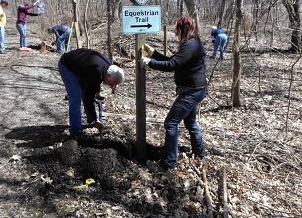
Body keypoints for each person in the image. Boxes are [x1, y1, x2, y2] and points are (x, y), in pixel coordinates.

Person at [140, 15, 207, 170]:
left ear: (183, 30)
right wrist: (153, 53)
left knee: (170, 123)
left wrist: (150, 63)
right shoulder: (192, 44)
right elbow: (175, 61)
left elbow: (172, 65)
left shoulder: (190, 45)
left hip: (192, 91)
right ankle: (199, 156)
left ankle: (168, 163)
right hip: (196, 89)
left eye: (177, 30)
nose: (176, 33)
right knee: (190, 123)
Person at [58, 48, 125, 138]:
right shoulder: (97, 72)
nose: (112, 86)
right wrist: (96, 118)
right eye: (112, 83)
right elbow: (88, 98)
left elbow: (97, 80)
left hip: (81, 67)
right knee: (76, 98)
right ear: (108, 75)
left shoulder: (108, 65)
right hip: (67, 65)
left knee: (88, 90)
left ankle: (92, 120)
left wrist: (97, 93)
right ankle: (75, 131)